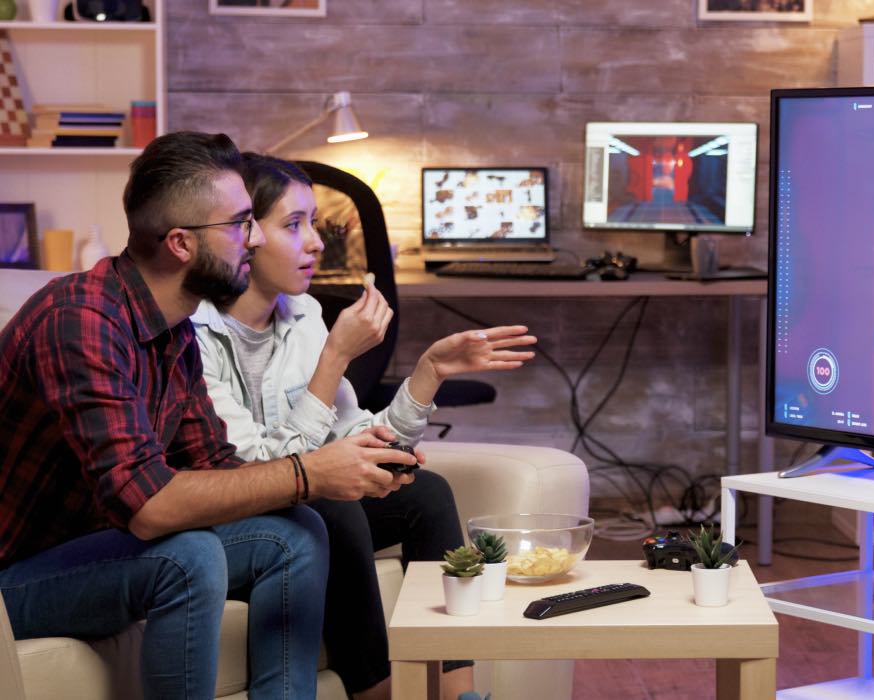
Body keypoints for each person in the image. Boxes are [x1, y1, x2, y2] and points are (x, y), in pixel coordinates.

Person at [0, 132, 413, 699]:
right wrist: (311, 473)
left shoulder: (175, 332)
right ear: (180, 244)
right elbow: (148, 508)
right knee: (186, 556)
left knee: (296, 532)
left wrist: (347, 469)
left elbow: (218, 466)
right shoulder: (81, 320)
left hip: (99, 547)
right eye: (241, 223)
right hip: (17, 576)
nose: (254, 238)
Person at [191, 153, 536, 700]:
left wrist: (429, 374)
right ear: (245, 235)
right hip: (241, 515)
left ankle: (458, 694)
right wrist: (333, 360)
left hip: (307, 494)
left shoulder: (301, 314)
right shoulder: (195, 333)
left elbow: (355, 442)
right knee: (331, 506)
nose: (316, 243)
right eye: (294, 224)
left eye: (314, 223)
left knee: (427, 493)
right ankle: (378, 692)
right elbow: (259, 470)